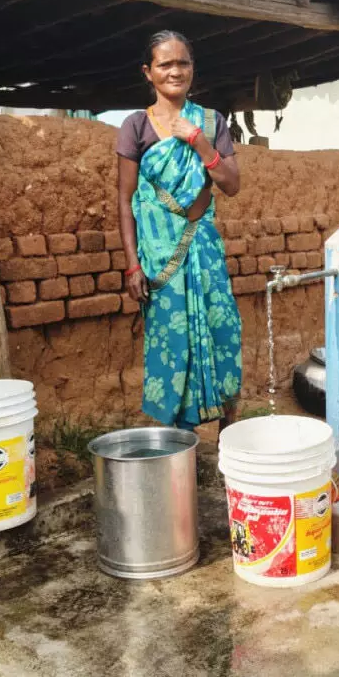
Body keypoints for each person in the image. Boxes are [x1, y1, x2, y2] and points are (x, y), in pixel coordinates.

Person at [115, 31, 243, 431]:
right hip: (159, 261)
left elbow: (232, 184)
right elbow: (125, 200)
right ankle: (175, 454)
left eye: (182, 63)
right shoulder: (136, 126)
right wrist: (133, 266)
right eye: (165, 64)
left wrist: (201, 143)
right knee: (172, 348)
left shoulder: (211, 121)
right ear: (148, 73)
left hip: (204, 252)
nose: (175, 71)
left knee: (224, 336)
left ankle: (230, 451)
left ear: (193, 69)